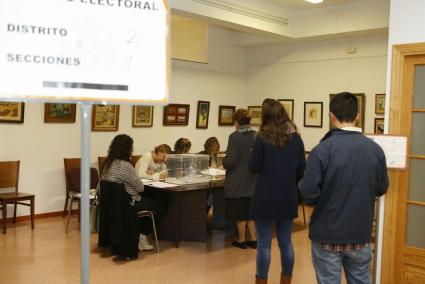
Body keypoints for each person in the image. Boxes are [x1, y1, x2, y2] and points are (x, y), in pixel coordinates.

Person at [299, 92, 389, 284]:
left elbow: (308, 194)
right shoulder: (375, 150)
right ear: (357, 116)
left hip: (327, 235)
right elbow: (382, 188)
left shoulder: (322, 150)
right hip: (360, 233)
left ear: (331, 116)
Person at [249, 99, 306, 284]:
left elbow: (253, 167)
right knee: (285, 242)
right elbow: (301, 169)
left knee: (264, 244)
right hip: (287, 196)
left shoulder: (262, 138)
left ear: (266, 116)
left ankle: (262, 280)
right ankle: (286, 280)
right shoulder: (296, 138)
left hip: (265, 196)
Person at [102, 134, 165, 251]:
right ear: (128, 149)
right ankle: (142, 234)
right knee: (160, 206)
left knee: (148, 201)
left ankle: (136, 232)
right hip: (128, 203)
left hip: (112, 204)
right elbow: (140, 188)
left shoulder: (108, 163)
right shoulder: (126, 165)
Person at [222, 109, 257, 250]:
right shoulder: (256, 135)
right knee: (250, 213)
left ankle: (242, 239)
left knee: (239, 212)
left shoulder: (235, 137)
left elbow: (230, 161)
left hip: (237, 181)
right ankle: (253, 239)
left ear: (236, 122)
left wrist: (223, 161)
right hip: (253, 180)